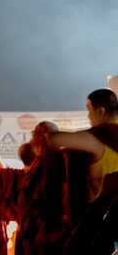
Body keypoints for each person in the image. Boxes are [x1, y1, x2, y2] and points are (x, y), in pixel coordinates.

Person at [48, 88, 118, 254]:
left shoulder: (99, 138)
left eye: (89, 110)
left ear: (100, 111)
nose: (88, 116)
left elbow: (54, 139)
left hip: (103, 222)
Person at [15, 121, 69, 255]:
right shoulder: (39, 160)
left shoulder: (51, 160)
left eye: (34, 133)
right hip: (32, 230)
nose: (31, 138)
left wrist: (45, 231)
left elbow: (49, 196)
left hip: (42, 233)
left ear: (43, 136)